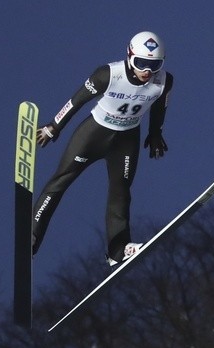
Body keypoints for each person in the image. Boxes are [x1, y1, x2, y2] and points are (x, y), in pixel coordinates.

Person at [32, 31, 174, 267]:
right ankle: (33, 236)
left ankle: (117, 250)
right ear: (129, 57)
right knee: (61, 181)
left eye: (154, 65)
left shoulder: (164, 81)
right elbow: (76, 100)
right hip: (94, 134)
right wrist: (54, 126)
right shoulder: (107, 74)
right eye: (141, 63)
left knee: (121, 191)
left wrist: (155, 132)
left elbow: (160, 107)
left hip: (126, 139)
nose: (147, 71)